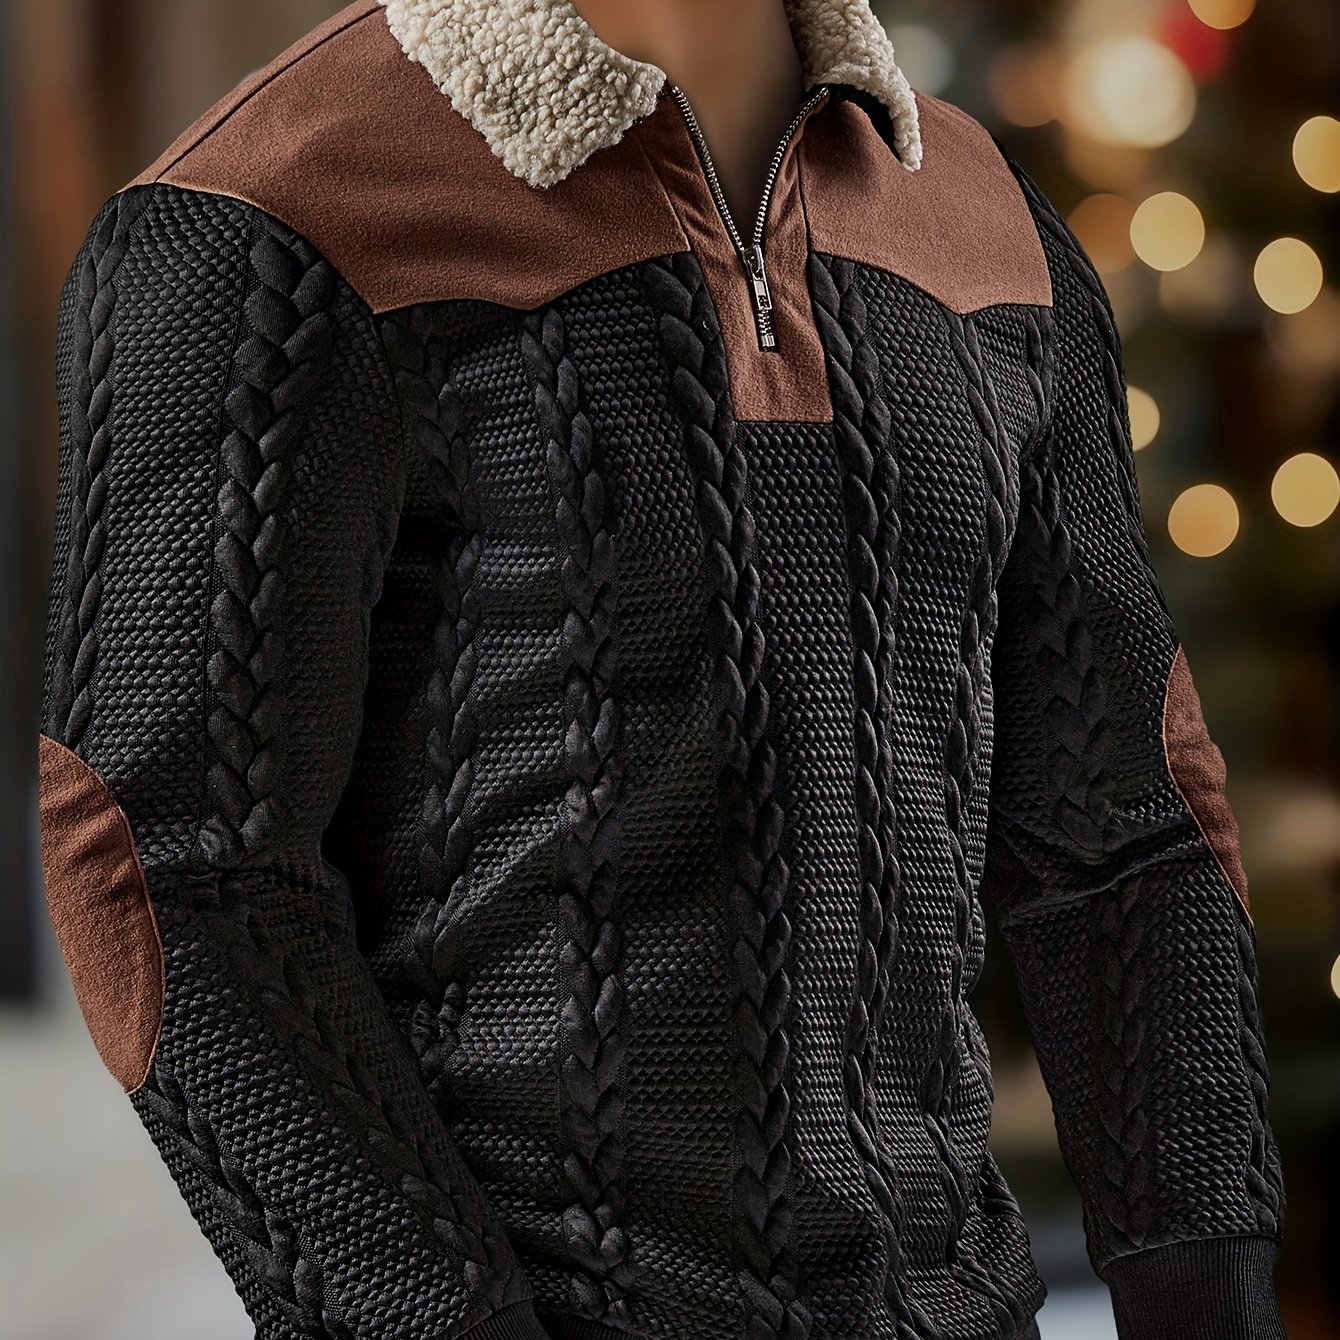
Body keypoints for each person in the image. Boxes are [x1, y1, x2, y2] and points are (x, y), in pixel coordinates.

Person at [35, 1, 1288, 1338]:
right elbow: (169, 858)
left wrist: (1209, 1299)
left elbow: (1127, 824)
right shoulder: (274, 209)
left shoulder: (983, 221)